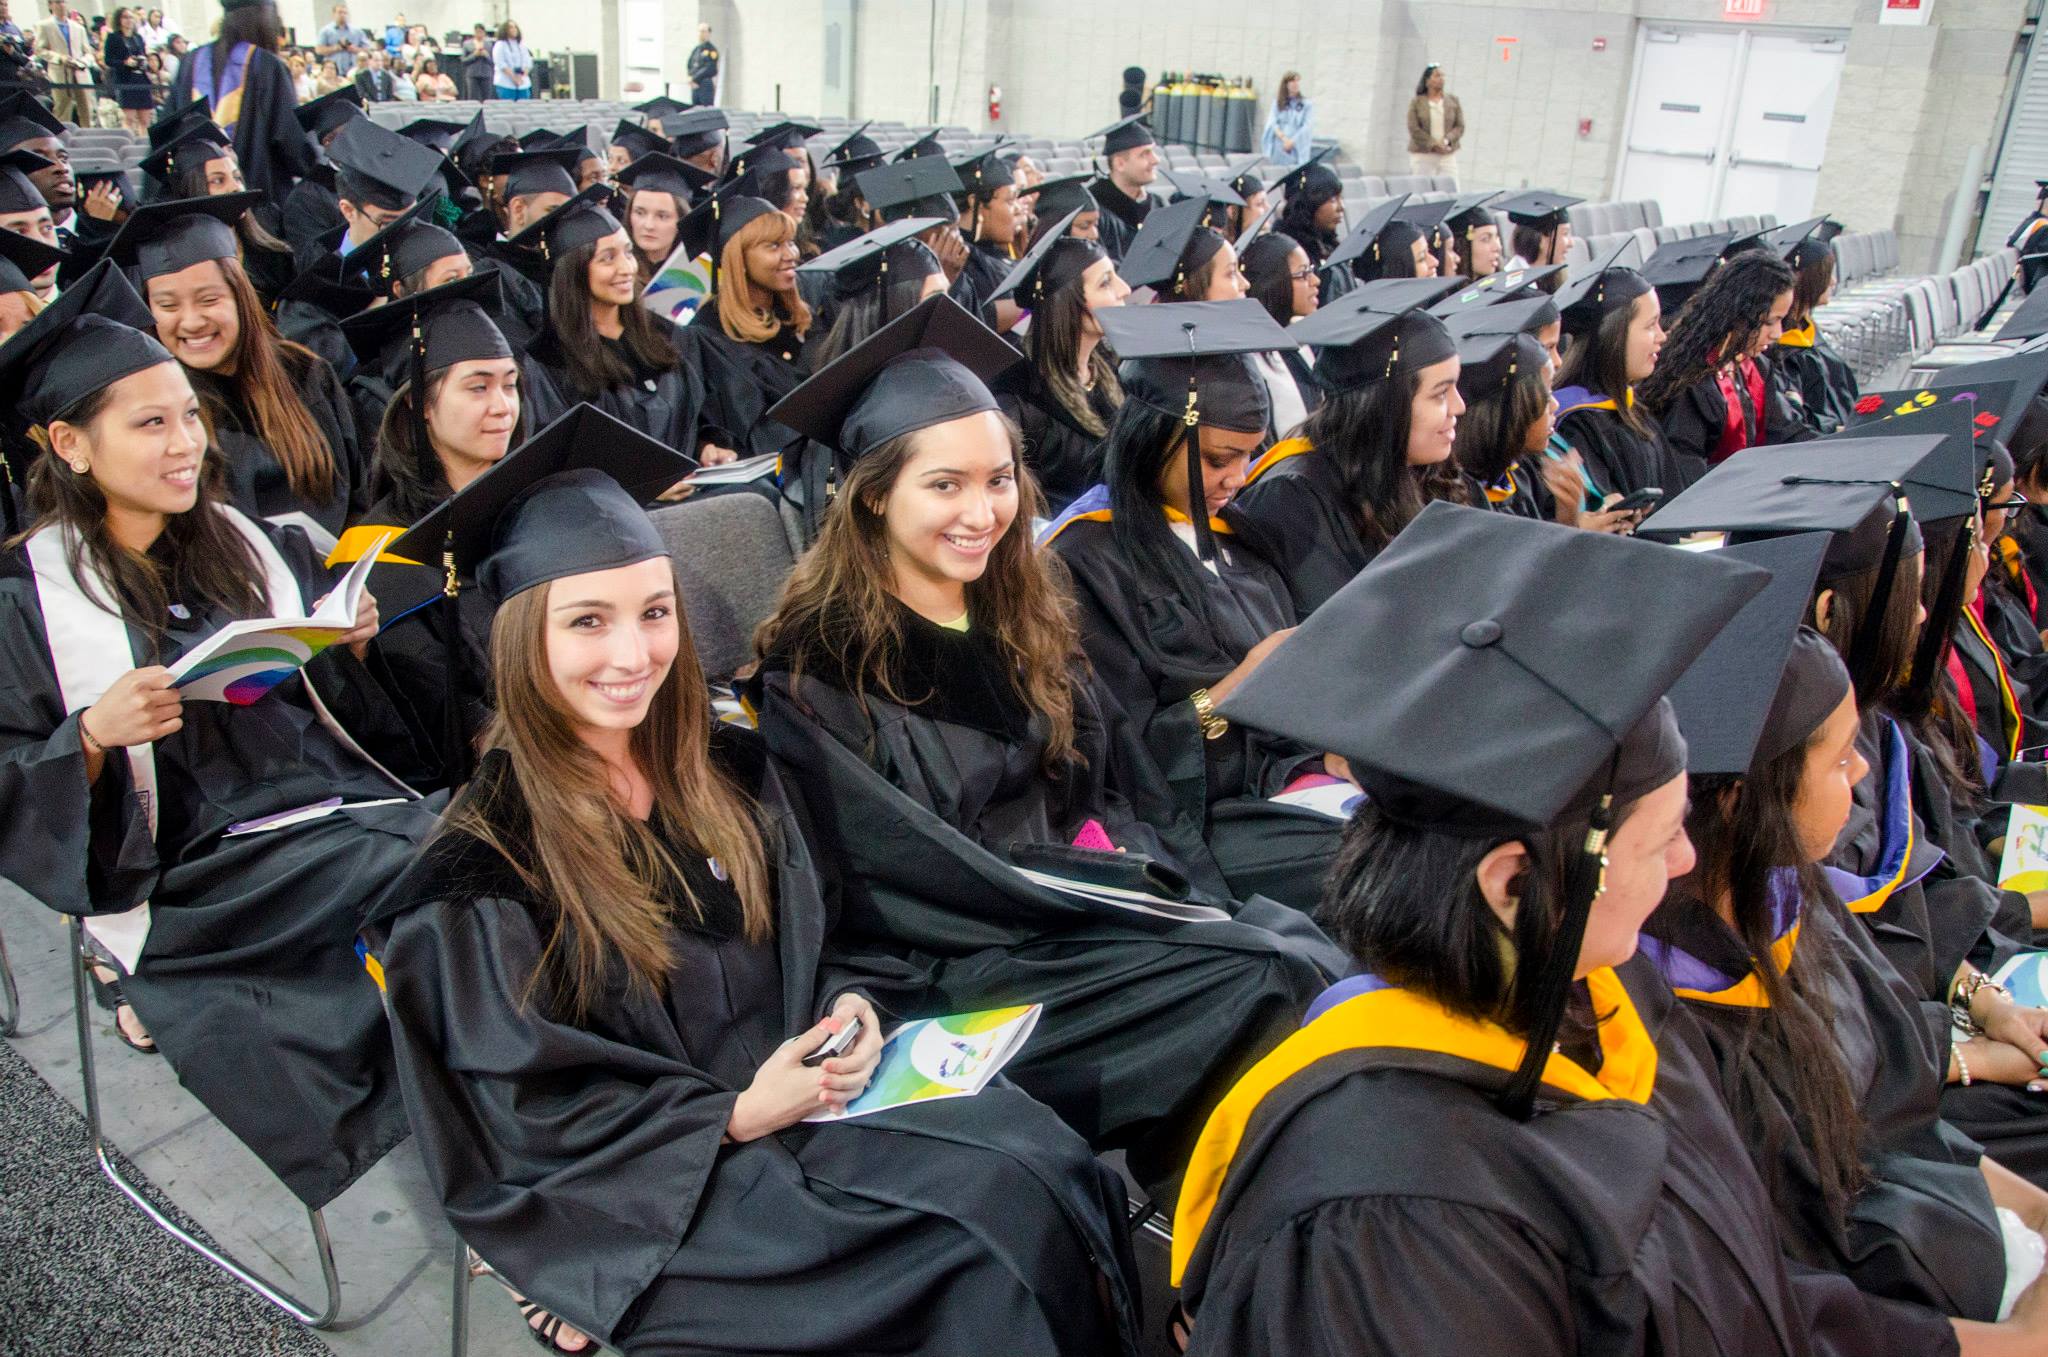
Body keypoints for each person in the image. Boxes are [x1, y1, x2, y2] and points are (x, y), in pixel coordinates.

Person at [1171, 500, 2048, 1355]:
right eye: (1663, 839)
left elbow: (1748, 1292)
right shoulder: (1387, 1218)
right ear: (1514, 884)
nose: (1681, 869)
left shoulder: (1611, 998)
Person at [364, 435, 1144, 1356]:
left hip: (813, 1103)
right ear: (516, 637)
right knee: (970, 1255)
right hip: (665, 1191)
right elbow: (524, 1120)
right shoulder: (480, 875)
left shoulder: (726, 771)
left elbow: (820, 931)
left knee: (1047, 1163)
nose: (633, 652)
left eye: (655, 613)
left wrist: (846, 1001)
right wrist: (733, 1115)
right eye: (586, 621)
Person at [752, 294, 1342, 1202]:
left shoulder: (1020, 609)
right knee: (1256, 980)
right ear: (872, 496)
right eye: (943, 484)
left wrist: (1127, 868)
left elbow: (1108, 787)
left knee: (1304, 956)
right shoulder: (818, 669)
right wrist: (1097, 894)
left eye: (998, 480)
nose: (983, 512)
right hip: (958, 962)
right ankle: (1220, 1256)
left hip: (1070, 910)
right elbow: (898, 880)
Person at [0, 260, 433, 1216]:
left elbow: (332, 724)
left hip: (336, 815)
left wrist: (342, 649)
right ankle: (513, 1179)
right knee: (463, 881)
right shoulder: (28, 604)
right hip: (204, 874)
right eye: (150, 423)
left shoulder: (251, 543)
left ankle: (528, 1157)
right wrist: (90, 737)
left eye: (189, 416)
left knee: (499, 854)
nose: (186, 442)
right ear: (70, 444)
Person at [1654, 570, 2048, 1328]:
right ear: (1743, 796)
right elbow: (1785, 1295)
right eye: (1839, 761)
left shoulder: (1785, 892)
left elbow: (1892, 1105)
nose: (1863, 770)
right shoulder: (1670, 1020)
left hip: (1930, 1223)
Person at [1044, 299, 1349, 912]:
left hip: (1286, 786)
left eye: (1248, 455)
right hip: (1196, 819)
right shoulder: (1085, 561)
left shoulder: (1241, 541)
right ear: (1155, 438)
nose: (1239, 478)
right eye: (1217, 459)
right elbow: (1120, 754)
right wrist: (1236, 688)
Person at [108, 194, 370, 553]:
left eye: (209, 299)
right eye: (168, 305)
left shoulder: (304, 373)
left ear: (240, 297)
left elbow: (361, 489)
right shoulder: (151, 408)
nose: (192, 321)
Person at [1231, 282, 1469, 616]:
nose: (1459, 407)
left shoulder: (1417, 469)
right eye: (1440, 394)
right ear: (1385, 404)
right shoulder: (1292, 499)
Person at [517, 187, 701, 455]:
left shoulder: (663, 333)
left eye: (627, 252)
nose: (627, 268)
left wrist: (708, 446)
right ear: (574, 272)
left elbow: (697, 414)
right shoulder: (548, 361)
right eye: (607, 258)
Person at [980, 209, 1128, 513]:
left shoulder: (1113, 372)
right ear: (1068, 303)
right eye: (1105, 283)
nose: (1124, 289)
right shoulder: (1018, 397)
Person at [1640, 247, 1812, 485]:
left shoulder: (1756, 368)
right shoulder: (1690, 383)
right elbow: (1684, 476)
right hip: (1708, 510)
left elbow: (1786, 432)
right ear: (1739, 315)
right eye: (1770, 322)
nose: (1777, 334)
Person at [674, 190, 810, 464]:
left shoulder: (799, 312)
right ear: (738, 259)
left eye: (790, 243)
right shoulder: (707, 334)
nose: (790, 254)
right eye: (773, 246)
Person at [1551, 254, 1681, 499]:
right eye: (1650, 325)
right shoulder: (1577, 424)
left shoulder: (1634, 410)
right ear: (1615, 336)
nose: (1662, 336)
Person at [160, 0, 310, 207]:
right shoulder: (268, 66)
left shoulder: (190, 63)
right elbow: (292, 144)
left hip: (198, 210)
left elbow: (165, 136)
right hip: (260, 209)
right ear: (263, 18)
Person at [140, 121, 295, 306]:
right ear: (193, 190)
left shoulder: (272, 249)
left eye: (237, 178)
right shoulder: (175, 262)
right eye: (218, 180)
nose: (235, 188)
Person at [1772, 221, 1860, 435]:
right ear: (1805, 279)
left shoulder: (1807, 331)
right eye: (1826, 273)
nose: (1833, 281)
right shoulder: (1780, 345)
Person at [1239, 231, 1322, 441]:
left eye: (1311, 270)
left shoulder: (1302, 337)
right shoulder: (1252, 358)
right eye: (1303, 274)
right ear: (1275, 282)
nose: (1315, 280)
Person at [1086, 115, 1158, 265]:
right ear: (1120, 164)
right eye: (1145, 154)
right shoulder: (1096, 211)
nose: (1156, 160)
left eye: (1153, 151)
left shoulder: (1159, 204)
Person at [616, 152, 691, 288]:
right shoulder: (617, 273)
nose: (648, 225)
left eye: (662, 216)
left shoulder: (698, 272)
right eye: (640, 212)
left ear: (681, 220)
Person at [35, 0, 93, 126]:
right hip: (59, 73)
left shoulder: (78, 27)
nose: (62, 5)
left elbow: (88, 52)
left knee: (86, 110)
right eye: (57, 2)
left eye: (63, 2)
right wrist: (59, 58)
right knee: (62, 110)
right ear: (50, 5)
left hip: (80, 73)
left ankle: (88, 138)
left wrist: (82, 61)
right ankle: (63, 139)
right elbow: (39, 50)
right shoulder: (44, 25)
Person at [1499, 189, 1581, 275]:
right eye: (1565, 234)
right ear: (1542, 240)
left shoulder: (1553, 278)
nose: (1571, 243)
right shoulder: (1512, 283)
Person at [1406, 63, 1464, 179]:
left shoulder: (1453, 100)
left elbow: (1459, 126)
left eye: (1442, 76)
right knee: (1421, 188)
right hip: (1423, 155)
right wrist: (1433, 144)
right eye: (1437, 76)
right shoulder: (1417, 102)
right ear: (1427, 81)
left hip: (1446, 154)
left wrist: (1447, 140)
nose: (1441, 79)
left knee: (1451, 187)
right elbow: (1414, 128)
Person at [102, 7, 149, 134]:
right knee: (129, 118)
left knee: (145, 119)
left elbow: (143, 53)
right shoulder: (113, 37)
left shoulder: (138, 37)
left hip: (141, 79)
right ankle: (130, 144)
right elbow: (108, 60)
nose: (128, 20)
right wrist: (125, 62)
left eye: (130, 17)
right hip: (125, 79)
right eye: (125, 17)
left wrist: (143, 60)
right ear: (119, 20)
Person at [1261, 71, 1312, 170]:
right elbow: (1272, 123)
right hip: (1280, 145)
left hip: (1297, 146)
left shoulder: (1306, 104)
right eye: (1292, 81)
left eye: (1297, 81)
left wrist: (1292, 141)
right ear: (1286, 84)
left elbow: (1307, 126)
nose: (1295, 84)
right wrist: (1284, 139)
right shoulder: (1277, 103)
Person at [315, 2, 368, 77]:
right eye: (340, 12)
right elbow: (319, 50)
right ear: (333, 14)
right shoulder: (326, 31)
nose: (343, 15)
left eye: (345, 13)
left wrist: (353, 48)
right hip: (334, 72)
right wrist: (336, 47)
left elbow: (367, 50)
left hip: (354, 71)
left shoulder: (357, 31)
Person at [491, 21, 531, 101]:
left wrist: (522, 76)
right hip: (506, 83)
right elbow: (501, 63)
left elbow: (528, 62)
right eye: (511, 27)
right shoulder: (500, 45)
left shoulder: (521, 45)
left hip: (522, 83)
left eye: (515, 27)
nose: (514, 29)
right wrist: (514, 77)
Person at [687, 21, 718, 106]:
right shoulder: (696, 49)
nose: (700, 34)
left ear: (708, 33)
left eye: (703, 31)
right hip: (695, 85)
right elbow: (690, 65)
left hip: (705, 84)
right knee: (694, 109)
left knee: (705, 110)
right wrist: (690, 78)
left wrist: (695, 78)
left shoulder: (711, 50)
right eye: (699, 31)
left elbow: (710, 68)